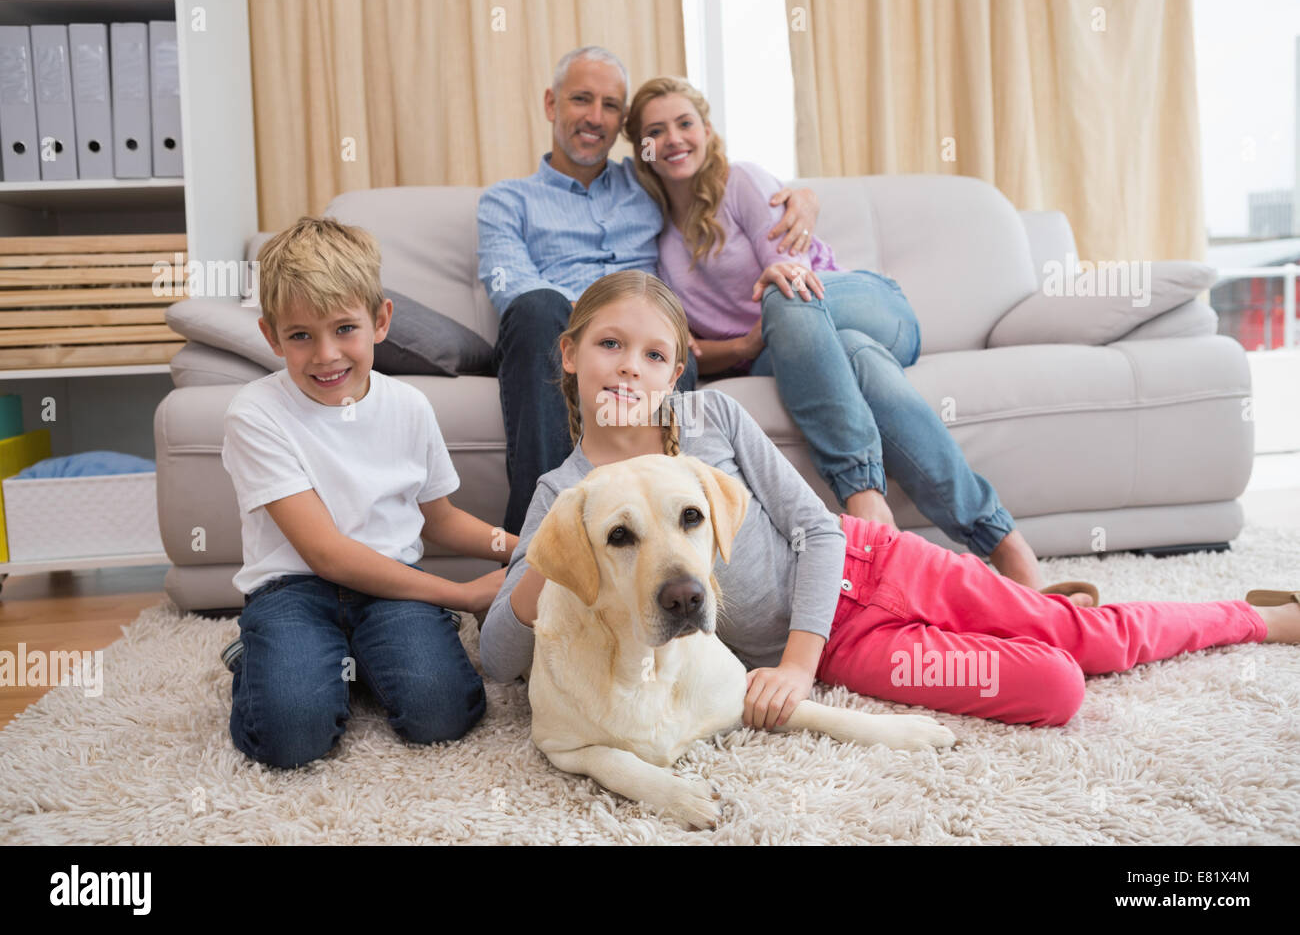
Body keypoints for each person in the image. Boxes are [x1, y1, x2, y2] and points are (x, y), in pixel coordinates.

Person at [479, 270, 1300, 729]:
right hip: (852, 650)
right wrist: (547, 561)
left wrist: (795, 664)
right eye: (610, 345)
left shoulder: (710, 419)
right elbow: (500, 662)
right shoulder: (564, 498)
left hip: (870, 569)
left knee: (1082, 635)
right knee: (1057, 687)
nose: (629, 368)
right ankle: (1024, 622)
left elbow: (815, 530)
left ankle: (1253, 618)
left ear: (676, 372)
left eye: (653, 355)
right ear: (568, 352)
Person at [623, 75, 1094, 606]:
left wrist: (761, 326)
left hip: (860, 304)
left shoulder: (743, 183)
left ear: (707, 130)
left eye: (685, 124)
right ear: (640, 149)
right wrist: (744, 347)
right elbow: (684, 344)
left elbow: (793, 273)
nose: (673, 139)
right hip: (792, 351)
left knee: (787, 296)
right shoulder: (655, 236)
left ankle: (865, 503)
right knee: (859, 363)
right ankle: (1006, 545)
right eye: (655, 131)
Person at [477, 46, 821, 537]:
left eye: (611, 105)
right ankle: (537, 540)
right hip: (558, 334)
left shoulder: (647, 182)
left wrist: (804, 197)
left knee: (668, 344)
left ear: (622, 123)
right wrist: (599, 322)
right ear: (552, 104)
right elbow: (508, 284)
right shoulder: (507, 201)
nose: (595, 118)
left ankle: (667, 536)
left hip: (649, 339)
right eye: (581, 100)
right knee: (535, 308)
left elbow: (716, 182)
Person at [220, 216, 514, 768]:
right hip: (293, 592)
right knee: (292, 737)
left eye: (344, 329)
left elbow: (443, 520)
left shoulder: (409, 407)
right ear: (271, 336)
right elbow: (325, 554)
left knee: (442, 715)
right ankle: (261, 654)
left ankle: (357, 657)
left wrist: (524, 547)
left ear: (381, 321)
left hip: (391, 589)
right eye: (300, 335)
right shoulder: (255, 414)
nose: (326, 355)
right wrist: (464, 595)